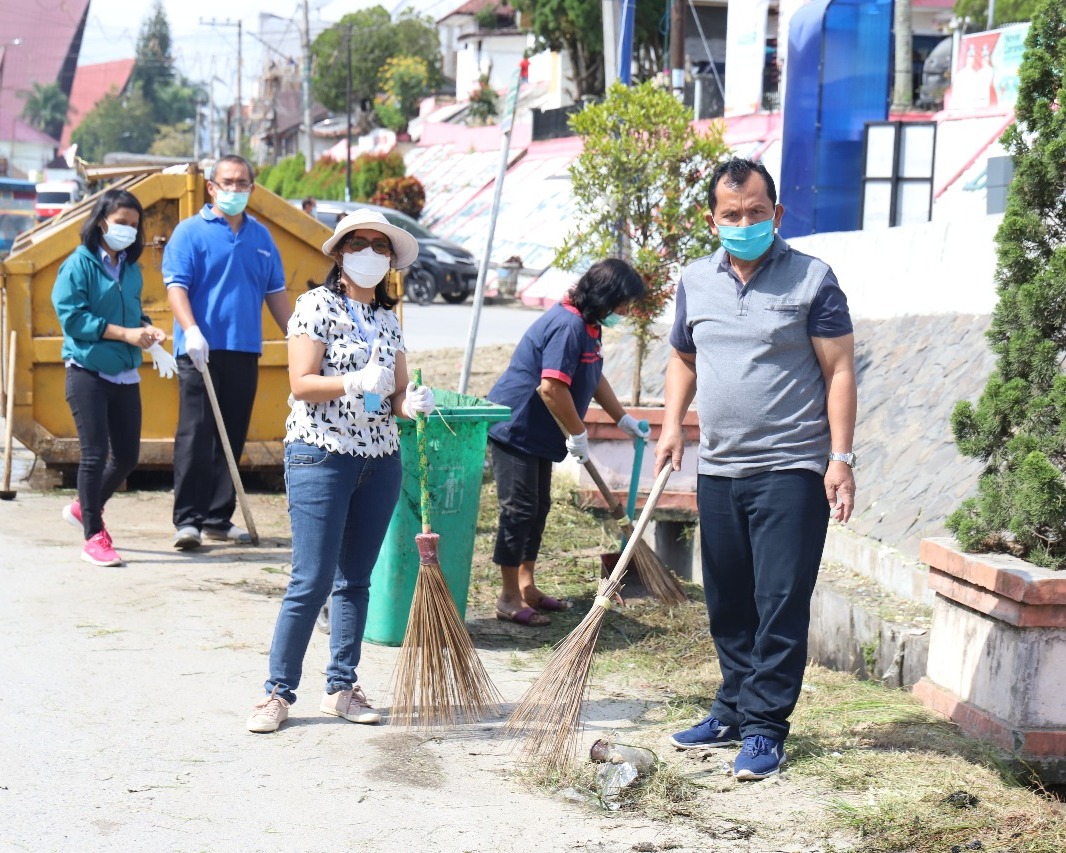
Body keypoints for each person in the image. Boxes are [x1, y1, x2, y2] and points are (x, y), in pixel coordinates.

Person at [655, 158, 856, 781]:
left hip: (791, 469)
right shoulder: (695, 279)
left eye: (755, 213)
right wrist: (670, 426)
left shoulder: (813, 279)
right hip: (719, 468)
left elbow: (840, 370)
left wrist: (841, 459)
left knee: (779, 602)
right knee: (729, 601)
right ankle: (734, 709)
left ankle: (767, 729)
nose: (743, 223)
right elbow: (684, 358)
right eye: (730, 214)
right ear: (711, 218)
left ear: (777, 213)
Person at [247, 209, 435, 733]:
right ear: (339, 253)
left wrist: (411, 402)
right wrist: (354, 381)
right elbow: (302, 383)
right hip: (320, 454)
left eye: (381, 246)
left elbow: (394, 396)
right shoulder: (314, 306)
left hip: (379, 460)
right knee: (310, 580)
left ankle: (342, 687)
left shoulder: (388, 321)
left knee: (355, 580)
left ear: (391, 261)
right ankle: (276, 693)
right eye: (361, 243)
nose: (370, 253)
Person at [485, 258, 650, 628]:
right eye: (623, 303)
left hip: (542, 432)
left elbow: (592, 373)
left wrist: (620, 417)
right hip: (517, 428)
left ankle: (527, 587)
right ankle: (508, 597)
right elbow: (552, 387)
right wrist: (578, 432)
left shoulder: (589, 325)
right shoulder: (568, 325)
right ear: (606, 296)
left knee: (538, 508)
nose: (625, 312)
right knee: (520, 511)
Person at [162, 154, 292, 550]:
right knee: (196, 435)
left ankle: (218, 517)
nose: (235, 189)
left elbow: (277, 296)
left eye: (242, 183)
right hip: (200, 350)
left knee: (231, 435)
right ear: (211, 187)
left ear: (252, 189)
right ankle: (188, 519)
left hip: (243, 348)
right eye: (227, 182)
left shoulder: (261, 238)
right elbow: (176, 287)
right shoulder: (189, 233)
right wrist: (191, 331)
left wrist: (301, 339)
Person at [51, 189, 169, 567]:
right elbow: (73, 319)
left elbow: (133, 314)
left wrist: (149, 334)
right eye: (121, 223)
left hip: (125, 373)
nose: (128, 231)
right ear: (102, 221)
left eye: (134, 226)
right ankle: (93, 535)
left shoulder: (130, 269)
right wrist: (125, 334)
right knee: (95, 454)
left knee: (127, 456)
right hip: (87, 371)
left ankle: (83, 508)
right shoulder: (79, 265)